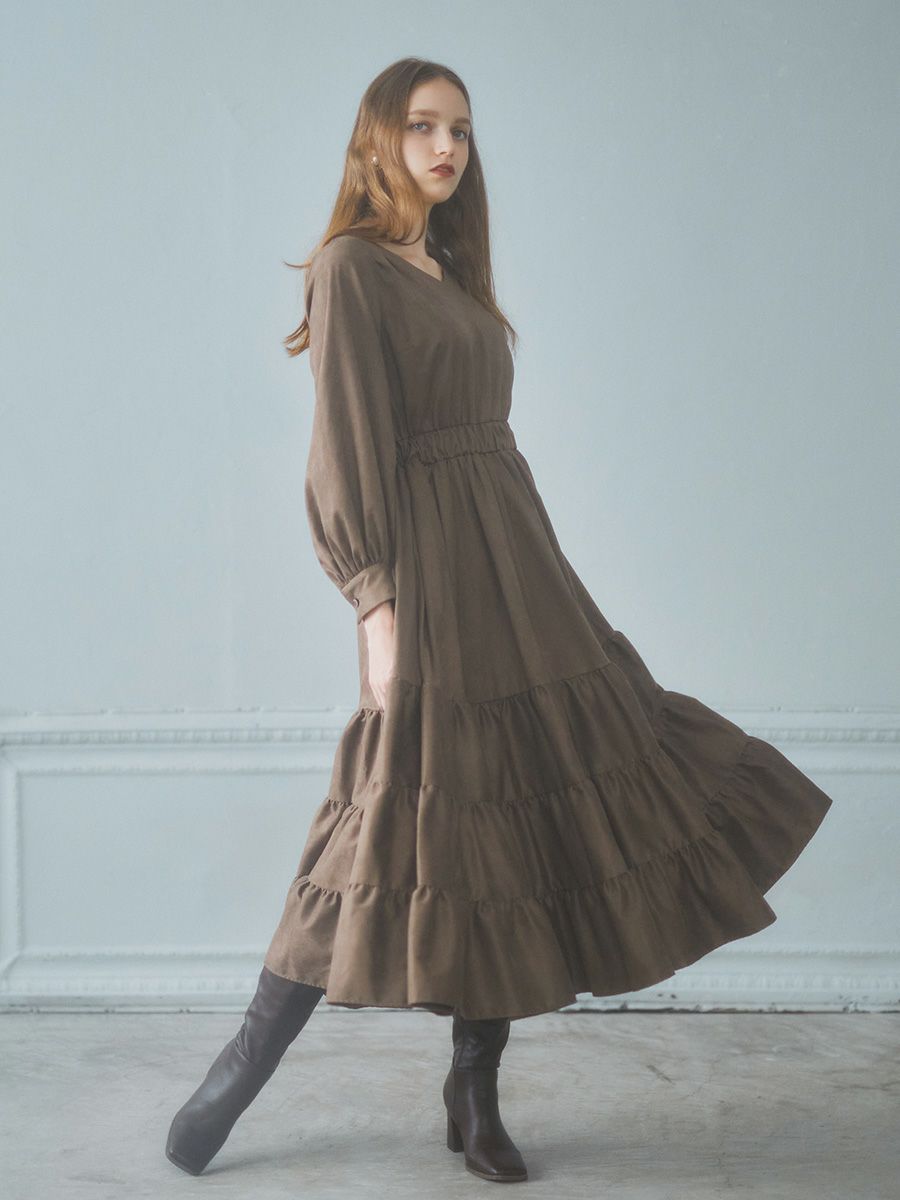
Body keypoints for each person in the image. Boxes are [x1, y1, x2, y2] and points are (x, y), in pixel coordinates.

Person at [166, 57, 833, 1185]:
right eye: (424, 126)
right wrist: (375, 604)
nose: (446, 148)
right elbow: (344, 450)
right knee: (379, 819)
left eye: (462, 131)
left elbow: (490, 448)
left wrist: (537, 569)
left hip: (518, 567)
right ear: (379, 138)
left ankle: (473, 1089)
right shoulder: (352, 268)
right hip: (429, 577)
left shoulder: (450, 269)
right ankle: (235, 1074)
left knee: (515, 818)